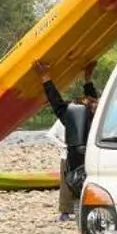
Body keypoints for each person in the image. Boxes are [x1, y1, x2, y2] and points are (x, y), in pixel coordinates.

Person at [38, 62, 98, 221]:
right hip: (92, 161)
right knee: (86, 194)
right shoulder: (97, 116)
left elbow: (57, 104)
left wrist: (45, 78)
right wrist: (87, 79)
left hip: (78, 164)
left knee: (79, 192)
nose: (87, 100)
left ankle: (81, 218)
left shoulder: (76, 118)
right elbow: (91, 99)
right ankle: (84, 218)